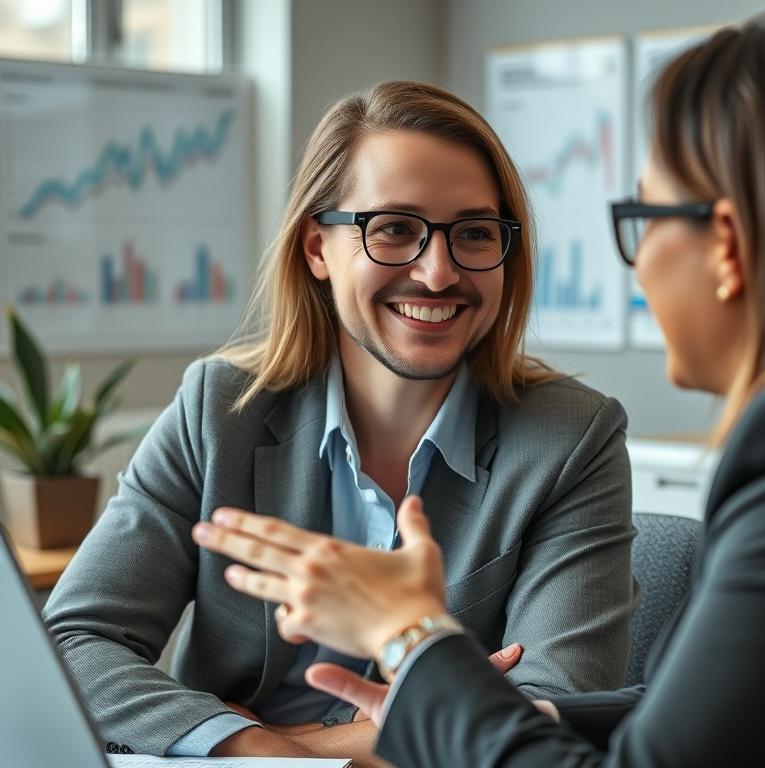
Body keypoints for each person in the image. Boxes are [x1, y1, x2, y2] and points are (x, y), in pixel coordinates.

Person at [195, 8, 765, 766]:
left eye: (646, 216)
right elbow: (710, 722)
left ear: (726, 245)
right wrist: (436, 702)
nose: (644, 264)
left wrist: (403, 631)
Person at [43, 81, 638, 762]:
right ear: (317, 250)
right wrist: (251, 749)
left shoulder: (573, 438)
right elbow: (75, 644)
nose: (439, 273)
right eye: (393, 229)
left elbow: (554, 713)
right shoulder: (219, 410)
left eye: (474, 233)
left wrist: (300, 745)